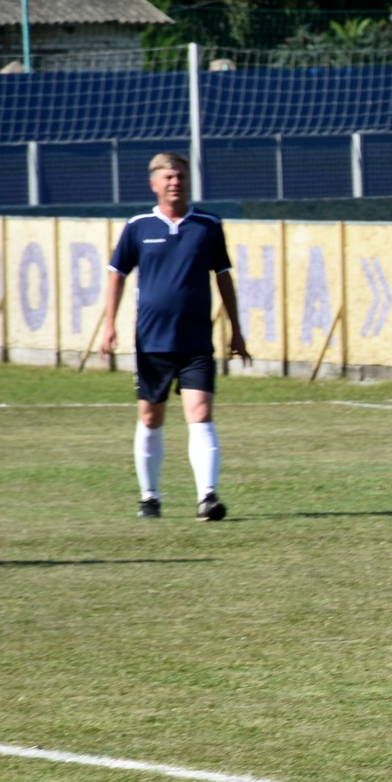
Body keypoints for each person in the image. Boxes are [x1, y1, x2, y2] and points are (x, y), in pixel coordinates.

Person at [99, 153, 248, 521]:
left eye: (180, 176)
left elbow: (223, 276)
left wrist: (236, 329)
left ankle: (207, 498)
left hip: (196, 341)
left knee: (201, 414)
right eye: (168, 177)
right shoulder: (138, 227)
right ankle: (149, 497)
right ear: (154, 183)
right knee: (151, 418)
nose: (175, 182)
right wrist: (109, 325)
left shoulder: (208, 225)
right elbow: (117, 274)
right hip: (152, 342)